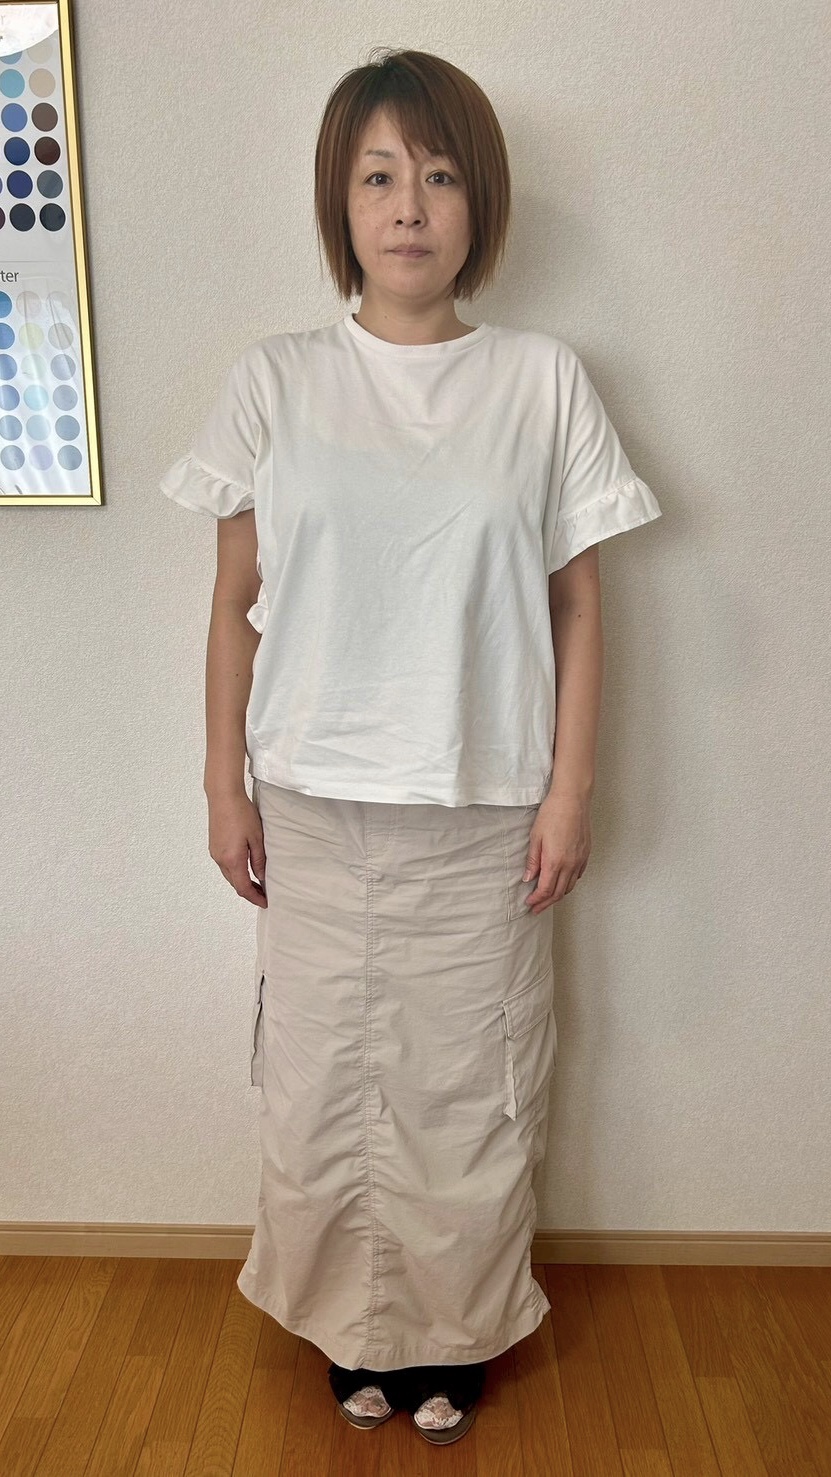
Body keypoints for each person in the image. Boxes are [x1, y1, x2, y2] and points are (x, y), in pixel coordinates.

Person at [159, 47, 661, 1448]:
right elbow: (233, 603)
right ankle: (351, 1332)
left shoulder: (542, 381)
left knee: (469, 1088)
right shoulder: (276, 380)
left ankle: (453, 1334)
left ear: (477, 200)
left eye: (439, 175)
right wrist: (221, 786)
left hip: (484, 805)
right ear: (341, 199)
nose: (409, 206)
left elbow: (578, 603)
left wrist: (571, 789)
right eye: (378, 175)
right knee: (319, 1086)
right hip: (313, 805)